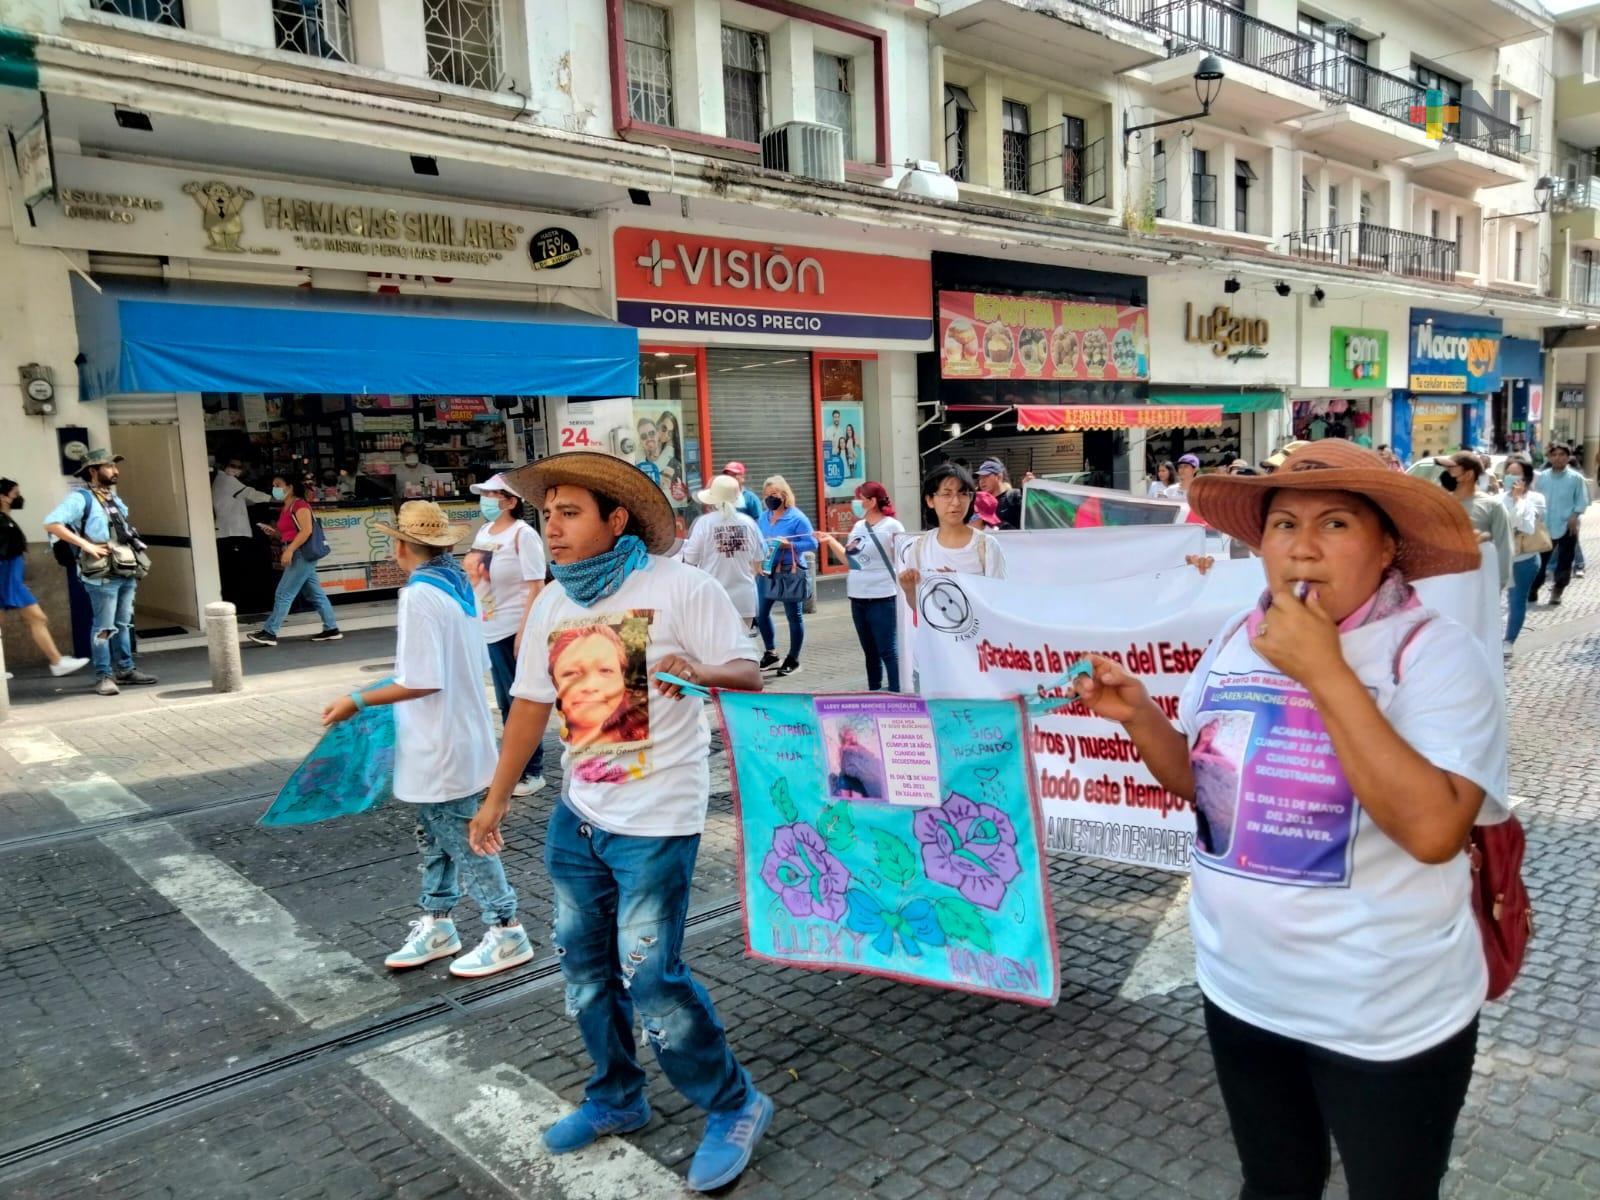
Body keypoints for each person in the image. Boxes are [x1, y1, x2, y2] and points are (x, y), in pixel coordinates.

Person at [1071, 439, 1504, 1200]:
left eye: (1335, 524)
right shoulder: (1237, 640)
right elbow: (1203, 788)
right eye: (1283, 525)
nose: (1303, 548)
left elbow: (1436, 832)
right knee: (1275, 1182)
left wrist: (1324, 668)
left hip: (1386, 1015)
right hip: (1243, 992)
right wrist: (1140, 716)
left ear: (1387, 547)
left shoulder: (1435, 656)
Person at [468, 451, 772, 1192]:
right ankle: (617, 1096)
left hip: (658, 818)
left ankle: (732, 1102)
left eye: (570, 513)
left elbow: (747, 669)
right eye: (548, 515)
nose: (555, 528)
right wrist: (498, 795)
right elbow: (530, 706)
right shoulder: (553, 604)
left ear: (617, 518)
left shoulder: (681, 587)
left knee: (651, 977)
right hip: (579, 817)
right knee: (583, 973)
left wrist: (705, 675)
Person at [321, 501, 533, 979]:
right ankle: (438, 921)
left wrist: (357, 699)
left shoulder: (419, 594)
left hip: (439, 742)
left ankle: (506, 928)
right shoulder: (459, 587)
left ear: (400, 546)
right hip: (460, 733)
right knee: (437, 832)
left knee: (461, 835)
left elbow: (422, 679)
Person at [44, 448, 158, 697]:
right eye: (109, 466)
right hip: (101, 573)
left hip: (125, 569)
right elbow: (51, 523)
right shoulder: (80, 498)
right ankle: (104, 675)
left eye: (115, 466)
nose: (116, 471)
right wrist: (86, 545)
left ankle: (126, 669)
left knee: (123, 623)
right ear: (93, 471)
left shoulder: (113, 499)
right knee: (104, 626)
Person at [466, 473, 547, 797]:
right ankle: (515, 766)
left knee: (520, 702)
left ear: (511, 501)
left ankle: (532, 770)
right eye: (484, 493)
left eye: (492, 494)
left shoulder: (523, 535)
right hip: (487, 627)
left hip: (512, 629)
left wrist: (524, 633)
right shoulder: (485, 531)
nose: (486, 499)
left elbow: (536, 586)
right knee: (504, 702)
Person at [817, 481, 905, 692]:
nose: (856, 502)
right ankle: (874, 692)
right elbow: (850, 561)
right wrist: (829, 540)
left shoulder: (892, 526)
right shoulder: (858, 527)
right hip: (857, 597)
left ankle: (897, 693)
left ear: (872, 501)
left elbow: (902, 559)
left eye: (861, 498)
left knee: (887, 650)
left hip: (883, 597)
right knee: (870, 652)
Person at [0, 477, 88, 677]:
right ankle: (57, 662)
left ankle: (57, 661)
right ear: (4, 497)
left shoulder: (5, 520)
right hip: (8, 580)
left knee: (31, 620)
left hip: (11, 580)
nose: (19, 497)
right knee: (38, 618)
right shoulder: (2, 523)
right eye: (15, 494)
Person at [246, 477, 342, 647]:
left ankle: (270, 632)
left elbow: (306, 531)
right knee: (316, 594)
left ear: (290, 487)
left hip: (300, 553)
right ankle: (332, 628)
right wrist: (274, 533)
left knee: (284, 593)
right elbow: (290, 533)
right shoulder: (287, 507)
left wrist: (289, 550)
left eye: (278, 485)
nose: (274, 488)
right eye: (273, 485)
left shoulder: (300, 505)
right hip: (298, 552)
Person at [897, 463, 1007, 611]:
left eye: (963, 493)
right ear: (930, 500)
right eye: (946, 494)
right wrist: (908, 589)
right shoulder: (919, 547)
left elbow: (998, 602)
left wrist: (959, 585)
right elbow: (919, 608)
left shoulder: (987, 546)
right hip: (935, 634)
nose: (955, 502)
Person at [681, 474, 766, 628]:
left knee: (715, 649)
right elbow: (758, 561)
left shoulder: (704, 523)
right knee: (742, 648)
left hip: (713, 600)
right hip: (744, 601)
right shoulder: (749, 523)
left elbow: (690, 559)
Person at [756, 475, 817, 677]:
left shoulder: (797, 518)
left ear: (784, 494)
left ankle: (794, 658)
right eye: (766, 495)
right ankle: (771, 652)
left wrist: (788, 545)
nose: (769, 499)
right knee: (761, 613)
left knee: (794, 615)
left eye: (773, 494)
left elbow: (812, 544)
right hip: (767, 571)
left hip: (789, 571)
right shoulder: (763, 517)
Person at [1433, 452, 1510, 591]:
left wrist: (1499, 583)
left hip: (1478, 584)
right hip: (1442, 583)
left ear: (1468, 475)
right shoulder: (1440, 504)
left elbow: (1504, 546)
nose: (1445, 475)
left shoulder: (1492, 506)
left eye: (1450, 470)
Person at [211, 458, 273, 608]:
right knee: (236, 570)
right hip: (232, 532)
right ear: (223, 465)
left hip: (228, 532)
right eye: (233, 466)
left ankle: (235, 602)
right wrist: (276, 498)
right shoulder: (227, 480)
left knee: (232, 569)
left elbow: (245, 499)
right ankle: (238, 603)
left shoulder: (222, 481)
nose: (236, 469)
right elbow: (251, 494)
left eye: (239, 467)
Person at [1532, 443, 1588, 606]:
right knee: (1540, 560)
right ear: (1549, 457)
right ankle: (1534, 587)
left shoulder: (1576, 478)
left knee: (1565, 559)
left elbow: (1581, 500)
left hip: (1567, 525)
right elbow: (1535, 499)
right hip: (1544, 525)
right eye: (1554, 454)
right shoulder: (1542, 477)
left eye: (1562, 454)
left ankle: (1558, 590)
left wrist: (1575, 515)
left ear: (1568, 457)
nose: (1558, 458)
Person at [1502, 458, 1546, 661]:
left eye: (1516, 473)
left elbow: (1524, 525)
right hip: (1501, 557)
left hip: (1525, 559)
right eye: (1508, 472)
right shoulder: (1499, 498)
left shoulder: (1535, 498)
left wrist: (1519, 500)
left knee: (1516, 601)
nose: (1511, 476)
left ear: (1526, 477)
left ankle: (1509, 640)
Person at [975, 459, 1022, 530]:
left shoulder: (1015, 496)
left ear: (999, 477)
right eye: (980, 478)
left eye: (986, 476)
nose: (982, 481)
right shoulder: (980, 503)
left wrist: (1029, 487)